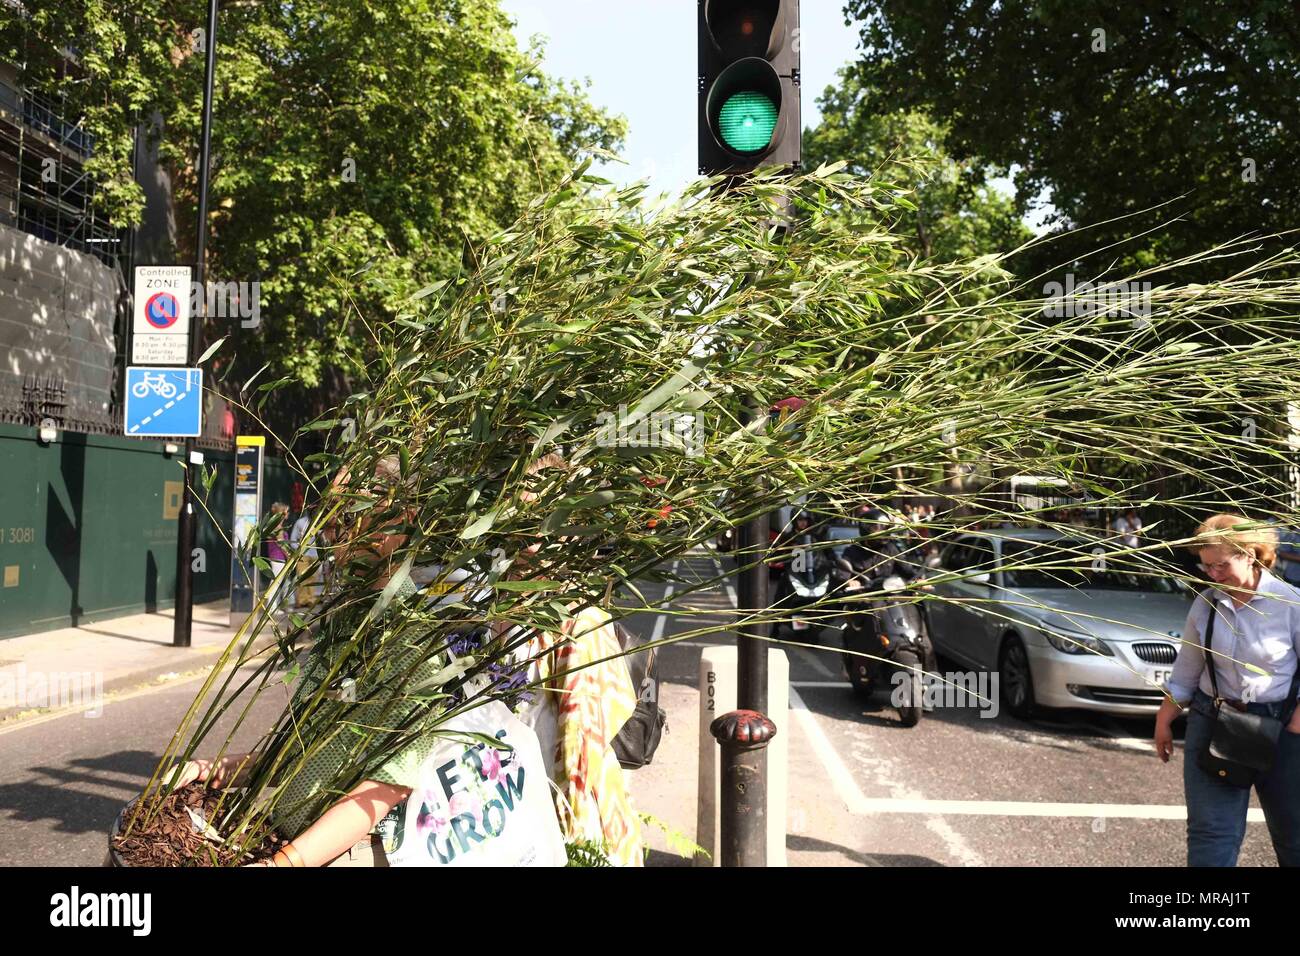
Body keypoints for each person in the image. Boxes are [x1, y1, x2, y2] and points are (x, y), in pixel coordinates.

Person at [1153, 514, 1300, 867]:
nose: (1214, 575)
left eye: (1222, 565)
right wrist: (1164, 719)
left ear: (1250, 555)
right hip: (1216, 723)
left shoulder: (1290, 604)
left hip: (1283, 729)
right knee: (1210, 834)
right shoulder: (1205, 605)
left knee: (1294, 836)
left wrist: (1297, 722)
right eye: (1206, 567)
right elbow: (1186, 672)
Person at [265, 502, 291, 612]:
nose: (288, 514)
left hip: (277, 558)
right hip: (277, 557)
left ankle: (274, 606)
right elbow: (282, 544)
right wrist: (289, 556)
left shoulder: (275, 526)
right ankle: (271, 607)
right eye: (287, 511)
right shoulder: (277, 527)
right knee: (275, 582)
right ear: (282, 513)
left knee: (277, 582)